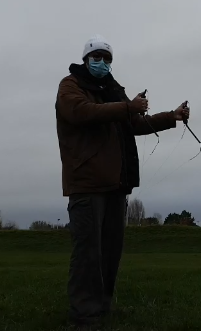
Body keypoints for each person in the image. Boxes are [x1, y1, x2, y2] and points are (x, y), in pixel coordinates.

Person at [55, 34, 189, 327]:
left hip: (116, 183)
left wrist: (173, 116)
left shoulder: (114, 90)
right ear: (85, 59)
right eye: (97, 57)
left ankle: (102, 307)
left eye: (107, 58)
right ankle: (83, 315)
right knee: (87, 253)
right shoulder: (70, 86)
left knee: (110, 253)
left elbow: (135, 124)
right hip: (87, 183)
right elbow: (80, 112)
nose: (102, 62)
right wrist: (128, 107)